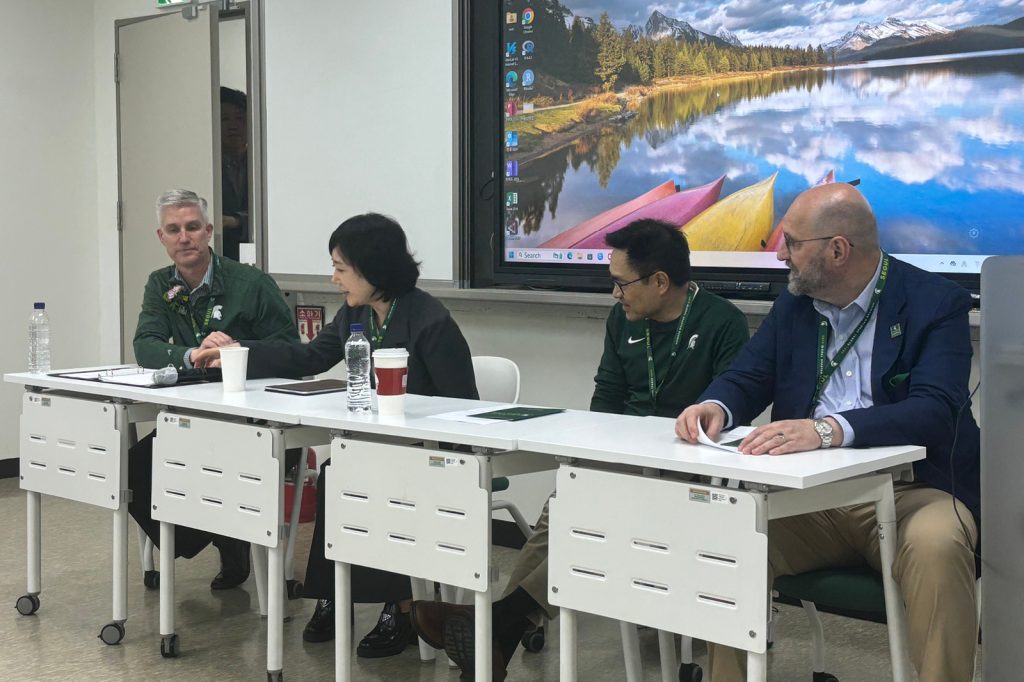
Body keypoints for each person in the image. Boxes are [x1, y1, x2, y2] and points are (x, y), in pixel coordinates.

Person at [410, 219, 750, 679]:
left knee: (593, 517)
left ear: (661, 282)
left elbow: (728, 412)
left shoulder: (721, 321)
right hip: (622, 462)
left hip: (686, 470)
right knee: (568, 500)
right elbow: (606, 395)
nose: (615, 294)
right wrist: (589, 452)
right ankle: (499, 630)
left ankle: (499, 626)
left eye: (621, 283)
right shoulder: (622, 320)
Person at [676, 184, 980, 682]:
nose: (780, 254)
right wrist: (715, 405)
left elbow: (936, 409)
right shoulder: (796, 304)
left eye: (792, 243)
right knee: (727, 539)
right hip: (809, 495)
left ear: (837, 250)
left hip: (914, 491)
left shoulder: (934, 303)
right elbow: (749, 375)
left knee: (939, 546)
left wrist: (828, 430)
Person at [192, 212, 479, 658]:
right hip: (379, 448)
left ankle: (399, 607)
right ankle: (332, 594)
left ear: (372, 268)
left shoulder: (429, 319)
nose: (334, 279)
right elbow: (307, 358)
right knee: (336, 471)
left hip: (430, 457)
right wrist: (239, 351)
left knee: (371, 479)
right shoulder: (356, 313)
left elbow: (464, 406)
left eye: (341, 268)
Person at [129, 189, 298, 589]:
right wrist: (192, 353)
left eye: (192, 228)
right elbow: (145, 345)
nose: (184, 237)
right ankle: (221, 535)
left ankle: (230, 536)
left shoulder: (251, 283)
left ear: (208, 232)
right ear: (161, 237)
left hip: (252, 418)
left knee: (211, 465)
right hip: (193, 415)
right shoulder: (160, 285)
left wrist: (239, 354)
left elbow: (291, 350)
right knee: (134, 468)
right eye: (174, 230)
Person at [220, 86, 249, 262]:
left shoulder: (263, 163)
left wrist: (237, 220)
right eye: (225, 119)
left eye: (240, 118)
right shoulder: (206, 165)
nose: (233, 126)